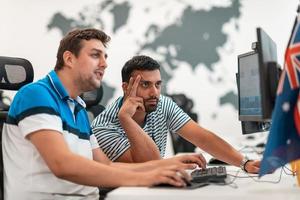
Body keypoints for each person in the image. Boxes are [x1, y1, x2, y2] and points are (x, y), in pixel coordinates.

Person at [2, 29, 206, 200]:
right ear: (69, 58)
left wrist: (168, 165)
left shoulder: (78, 109)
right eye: (95, 55)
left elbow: (106, 166)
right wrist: (148, 177)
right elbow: (62, 164)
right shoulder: (36, 94)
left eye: (105, 57)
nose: (104, 63)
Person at [91, 55, 261, 173]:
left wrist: (244, 162)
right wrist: (126, 119)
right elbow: (150, 165)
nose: (154, 92)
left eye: (157, 84)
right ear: (126, 87)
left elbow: (202, 137)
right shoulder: (104, 128)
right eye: (145, 85)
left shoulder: (161, 103)